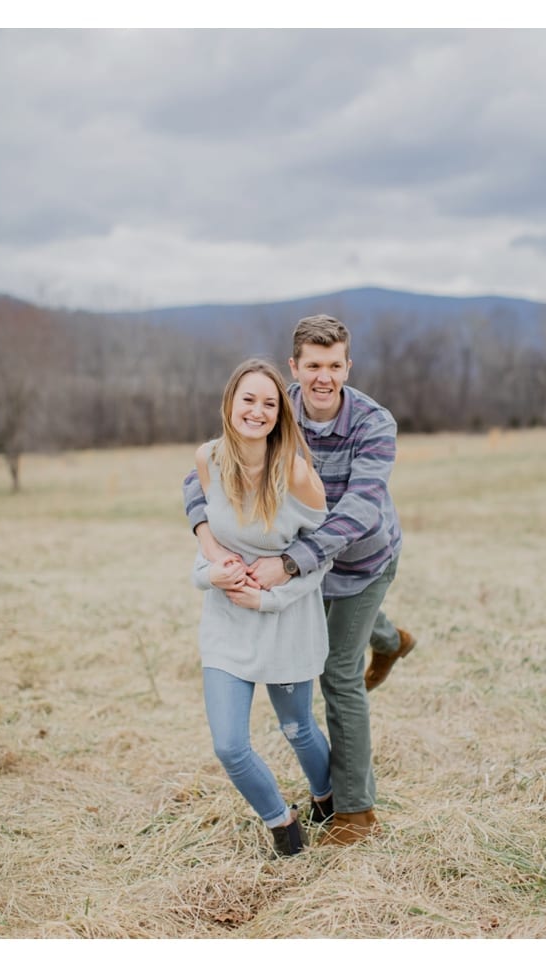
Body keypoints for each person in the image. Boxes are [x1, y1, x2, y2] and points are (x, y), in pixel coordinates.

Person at [184, 315, 412, 846]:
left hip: (360, 565)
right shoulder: (275, 409)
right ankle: (391, 639)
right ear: (296, 367)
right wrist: (209, 542)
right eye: (313, 365)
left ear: (347, 367)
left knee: (337, 672)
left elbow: (358, 511)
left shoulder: (375, 424)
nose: (323, 377)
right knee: (335, 627)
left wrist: (286, 565)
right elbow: (198, 478)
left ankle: (355, 813)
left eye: (334, 366)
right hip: (299, 572)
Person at [191, 358, 332, 856]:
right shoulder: (207, 459)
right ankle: (283, 825)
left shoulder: (295, 473)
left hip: (285, 621)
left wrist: (269, 595)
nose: (257, 410)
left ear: (279, 414)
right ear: (229, 403)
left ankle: (328, 799)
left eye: (269, 403)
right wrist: (213, 574)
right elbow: (205, 550)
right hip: (227, 624)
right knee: (229, 744)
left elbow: (321, 556)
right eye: (248, 399)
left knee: (297, 727)